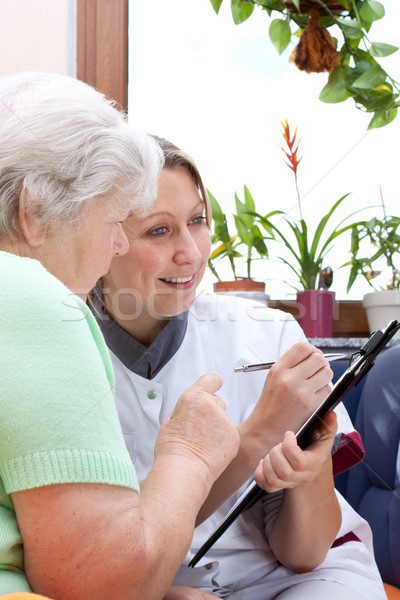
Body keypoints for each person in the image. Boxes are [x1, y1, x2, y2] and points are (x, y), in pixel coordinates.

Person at [90, 136, 387, 599]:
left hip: (298, 578)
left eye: (197, 221)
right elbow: (106, 551)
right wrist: (259, 432)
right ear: (102, 239)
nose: (191, 251)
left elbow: (304, 553)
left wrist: (308, 474)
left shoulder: (270, 334)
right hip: (143, 586)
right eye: (159, 231)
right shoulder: (64, 351)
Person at [0, 72, 241, 600]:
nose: (115, 245)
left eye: (198, 222)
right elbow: (104, 589)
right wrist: (188, 453)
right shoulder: (34, 299)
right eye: (113, 219)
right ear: (33, 212)